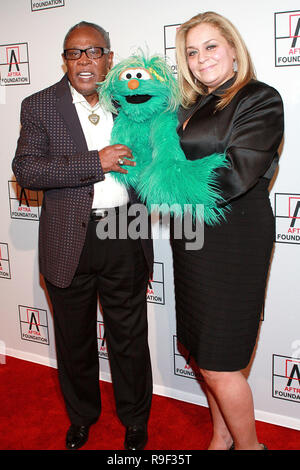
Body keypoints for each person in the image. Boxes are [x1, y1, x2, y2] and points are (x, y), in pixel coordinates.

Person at [12, 21, 153, 451]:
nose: (85, 60)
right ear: (65, 61)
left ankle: (134, 419)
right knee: (74, 340)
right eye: (75, 53)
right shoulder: (39, 105)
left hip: (124, 231)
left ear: (109, 57)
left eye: (94, 51)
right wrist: (96, 161)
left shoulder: (134, 101)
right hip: (67, 239)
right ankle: (82, 417)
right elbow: (28, 170)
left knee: (128, 337)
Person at [171, 12, 284, 450]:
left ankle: (252, 447)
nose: (201, 59)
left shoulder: (259, 99)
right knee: (205, 354)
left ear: (234, 50)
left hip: (235, 234)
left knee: (221, 361)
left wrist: (171, 185)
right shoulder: (189, 106)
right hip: (193, 238)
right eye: (192, 52)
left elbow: (237, 173)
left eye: (211, 47)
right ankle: (221, 439)